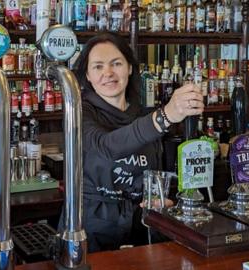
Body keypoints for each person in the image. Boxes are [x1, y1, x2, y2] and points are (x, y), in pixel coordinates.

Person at [73, 33, 204, 252]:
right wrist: (165, 116)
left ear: (130, 68)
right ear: (87, 75)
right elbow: (106, 146)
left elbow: (161, 172)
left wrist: (164, 200)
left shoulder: (144, 114)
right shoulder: (78, 112)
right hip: (93, 229)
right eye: (98, 67)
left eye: (116, 63)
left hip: (143, 225)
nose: (108, 73)